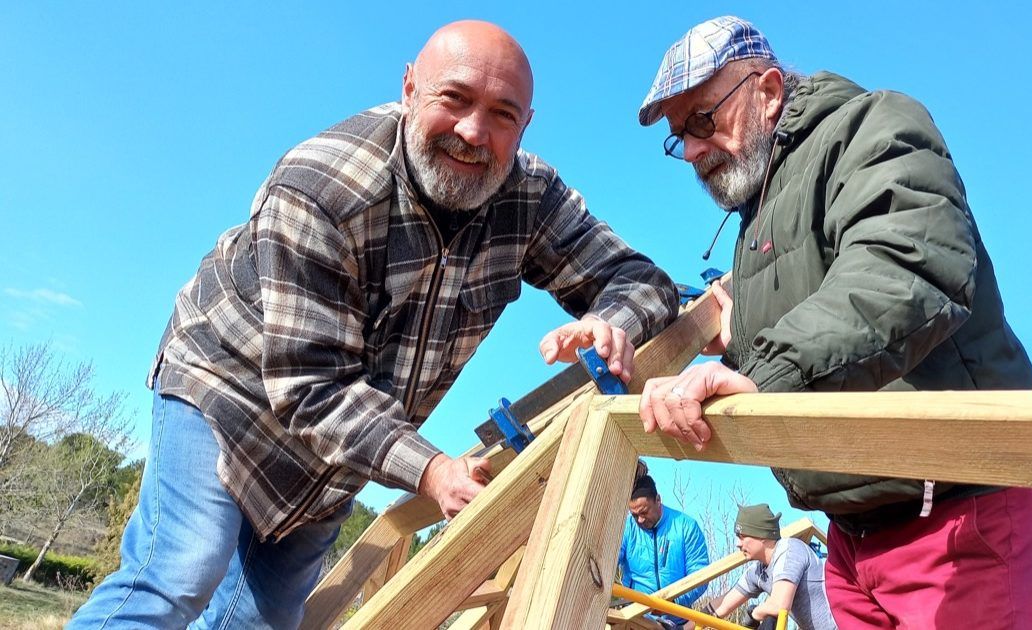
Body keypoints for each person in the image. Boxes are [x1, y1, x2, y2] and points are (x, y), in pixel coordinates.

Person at [70, 20, 676, 629]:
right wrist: (433, 470)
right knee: (181, 571)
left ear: (525, 126)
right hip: (229, 390)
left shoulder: (530, 197)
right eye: (455, 99)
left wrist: (610, 319)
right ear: (410, 88)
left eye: (501, 114)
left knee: (264, 618)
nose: (473, 132)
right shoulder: (325, 185)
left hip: (352, 437)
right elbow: (310, 390)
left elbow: (643, 281)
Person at [635, 16, 1032, 629]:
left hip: (953, 517)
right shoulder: (757, 223)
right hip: (850, 537)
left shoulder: (874, 128)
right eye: (679, 137)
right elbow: (784, 346)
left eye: (702, 120)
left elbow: (907, 268)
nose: (692, 149)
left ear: (769, 91)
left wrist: (768, 368)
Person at [699, 504, 835, 630]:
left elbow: (778, 606)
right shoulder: (758, 571)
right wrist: (687, 626)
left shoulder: (790, 549)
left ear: (762, 535)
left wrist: (754, 614)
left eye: (742, 537)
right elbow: (722, 606)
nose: (737, 544)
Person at [618, 473, 710, 629]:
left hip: (678, 619)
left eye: (644, 512)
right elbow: (608, 562)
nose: (639, 520)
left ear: (658, 500)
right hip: (635, 616)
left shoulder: (686, 526)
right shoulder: (626, 527)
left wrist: (672, 602)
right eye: (634, 515)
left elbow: (700, 577)